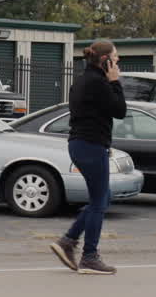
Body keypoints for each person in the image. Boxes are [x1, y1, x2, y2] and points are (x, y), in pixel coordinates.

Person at [50, 40, 125, 274]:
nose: (119, 62)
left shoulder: (83, 81)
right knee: (99, 202)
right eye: (116, 58)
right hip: (91, 146)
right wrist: (115, 82)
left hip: (81, 145)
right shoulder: (98, 83)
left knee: (102, 198)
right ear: (106, 61)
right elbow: (120, 110)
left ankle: (68, 241)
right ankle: (89, 256)